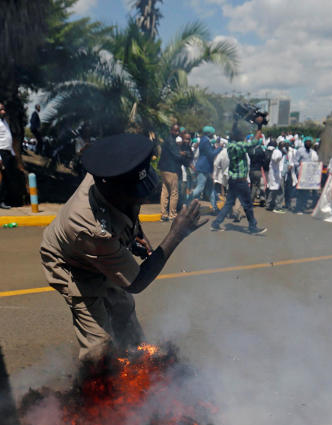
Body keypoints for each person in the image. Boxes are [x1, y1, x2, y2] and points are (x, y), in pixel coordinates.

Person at [40, 134, 207, 362]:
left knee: (124, 312)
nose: (139, 200)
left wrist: (135, 233)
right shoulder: (90, 227)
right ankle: (95, 387)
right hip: (72, 264)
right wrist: (176, 234)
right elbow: (136, 283)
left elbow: (127, 206)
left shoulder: (111, 173)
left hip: (102, 250)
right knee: (100, 344)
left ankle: (136, 367)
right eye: (133, 195)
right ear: (108, 187)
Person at [210, 128, 268, 235]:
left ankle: (216, 223)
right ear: (237, 137)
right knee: (248, 204)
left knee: (229, 203)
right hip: (240, 181)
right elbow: (252, 144)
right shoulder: (237, 147)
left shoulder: (231, 146)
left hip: (233, 181)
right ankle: (253, 227)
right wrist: (259, 130)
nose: (243, 138)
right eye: (241, 136)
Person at [0, 102, 22, 209]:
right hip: (1, 153)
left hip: (8, 153)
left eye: (4, 109)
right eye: (0, 110)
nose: (3, 111)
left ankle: (8, 200)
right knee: (6, 177)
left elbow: (7, 137)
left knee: (10, 177)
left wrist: (12, 153)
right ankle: (0, 202)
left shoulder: (4, 121)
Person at [157, 123, 186, 221]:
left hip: (163, 169)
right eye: (175, 130)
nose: (177, 132)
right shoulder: (172, 141)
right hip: (171, 170)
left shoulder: (167, 140)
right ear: (171, 131)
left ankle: (163, 214)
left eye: (178, 131)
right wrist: (182, 153)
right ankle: (172, 215)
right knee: (174, 193)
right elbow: (177, 155)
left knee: (165, 191)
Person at [191, 125, 218, 213]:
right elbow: (211, 155)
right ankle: (186, 201)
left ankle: (215, 208)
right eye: (212, 133)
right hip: (203, 168)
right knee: (200, 188)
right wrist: (220, 148)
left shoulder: (205, 140)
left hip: (207, 168)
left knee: (211, 189)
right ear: (209, 133)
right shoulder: (205, 141)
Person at [292, 138, 319, 213]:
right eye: (307, 142)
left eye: (310, 142)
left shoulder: (311, 152)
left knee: (306, 192)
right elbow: (295, 162)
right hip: (301, 174)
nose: (308, 143)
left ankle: (303, 207)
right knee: (300, 192)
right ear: (304, 142)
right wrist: (300, 167)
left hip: (308, 176)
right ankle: (298, 208)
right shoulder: (300, 151)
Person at [266, 141, 287, 214]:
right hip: (276, 174)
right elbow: (275, 159)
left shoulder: (277, 151)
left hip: (275, 174)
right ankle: (278, 207)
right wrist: (281, 156)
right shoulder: (278, 152)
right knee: (280, 190)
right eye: (283, 146)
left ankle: (270, 205)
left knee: (273, 189)